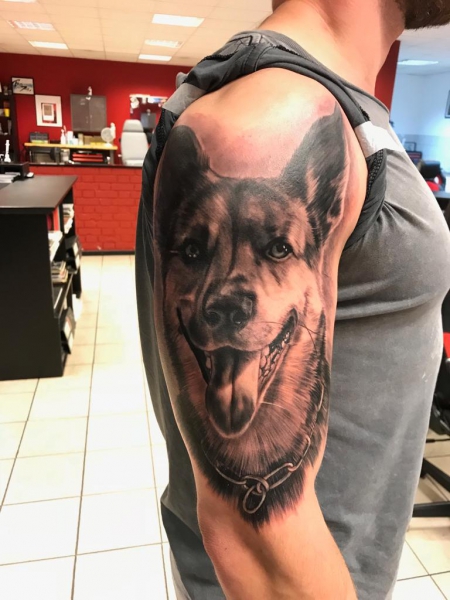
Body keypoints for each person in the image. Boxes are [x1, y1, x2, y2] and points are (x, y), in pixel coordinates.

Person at [135, 1, 450, 598]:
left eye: (275, 249)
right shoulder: (277, 109)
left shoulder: (327, 101)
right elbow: (252, 539)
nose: (228, 294)